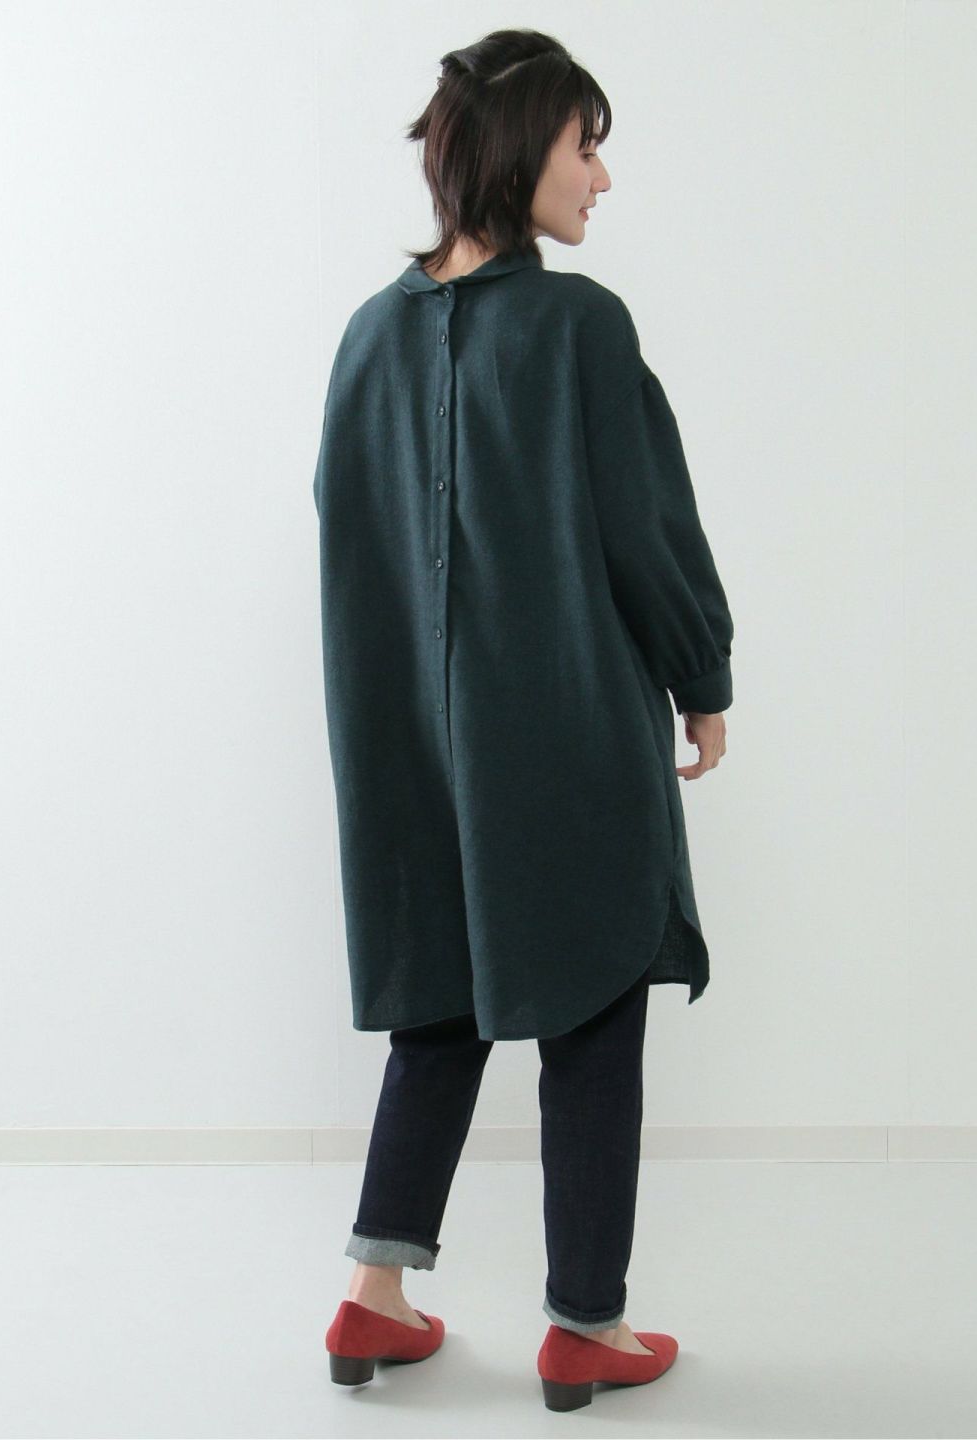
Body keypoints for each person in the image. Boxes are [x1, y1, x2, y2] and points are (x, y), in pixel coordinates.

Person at [315, 28, 733, 1409]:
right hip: (564, 730)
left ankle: (373, 1298)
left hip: (412, 753)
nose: (601, 177)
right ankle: (585, 1326)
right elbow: (644, 526)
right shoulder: (578, 328)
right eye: (584, 145)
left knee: (440, 1007)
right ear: (519, 151)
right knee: (595, 1003)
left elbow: (349, 551)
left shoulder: (367, 339)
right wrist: (703, 676)